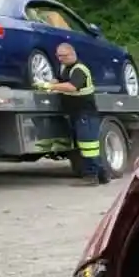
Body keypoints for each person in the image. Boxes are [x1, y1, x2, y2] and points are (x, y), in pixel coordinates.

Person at [38, 42, 109, 186]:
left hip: (86, 114)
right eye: (58, 56)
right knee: (86, 146)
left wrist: (51, 86)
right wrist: (50, 83)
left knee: (88, 146)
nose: (60, 59)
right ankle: (102, 175)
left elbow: (72, 86)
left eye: (62, 56)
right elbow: (59, 79)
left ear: (72, 54)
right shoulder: (65, 67)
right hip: (77, 113)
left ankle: (92, 176)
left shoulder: (79, 69)